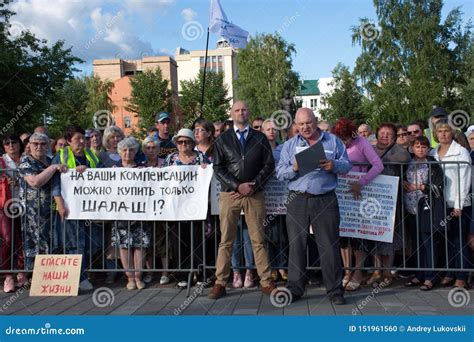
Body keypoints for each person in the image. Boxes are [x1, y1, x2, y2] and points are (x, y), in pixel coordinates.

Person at [276, 108, 352, 305]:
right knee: (296, 245)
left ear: (315, 121)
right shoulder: (289, 145)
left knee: (328, 245)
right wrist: (294, 168)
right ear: (296, 125)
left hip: (325, 198)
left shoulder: (333, 141)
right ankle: (295, 288)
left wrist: (333, 165)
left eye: (308, 123)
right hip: (297, 199)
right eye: (301, 124)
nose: (305, 127)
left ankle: (335, 290)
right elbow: (280, 173)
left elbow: (347, 165)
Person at [209, 101, 276, 299]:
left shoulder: (260, 138)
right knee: (226, 240)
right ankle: (220, 282)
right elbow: (218, 168)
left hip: (254, 194)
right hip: (230, 194)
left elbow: (269, 164)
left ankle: (266, 281)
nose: (241, 112)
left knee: (258, 239)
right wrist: (237, 186)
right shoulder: (222, 140)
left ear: (249, 112)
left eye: (244, 109)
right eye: (237, 110)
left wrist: (253, 185)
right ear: (232, 114)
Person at [333, 118, 384, 291]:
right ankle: (347, 271)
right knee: (343, 236)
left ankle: (358, 272)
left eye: (347, 138)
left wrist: (361, 182)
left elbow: (378, 165)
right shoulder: (335, 143)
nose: (344, 142)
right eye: (341, 138)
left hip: (358, 194)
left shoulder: (362, 142)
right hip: (340, 194)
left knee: (357, 235)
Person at [52, 125, 102, 291]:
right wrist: (60, 204)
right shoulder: (61, 156)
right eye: (77, 139)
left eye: (83, 138)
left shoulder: (91, 156)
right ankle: (78, 279)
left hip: (90, 208)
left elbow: (102, 174)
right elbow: (56, 182)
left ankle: (82, 275)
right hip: (70, 207)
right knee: (75, 243)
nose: (82, 142)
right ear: (68, 141)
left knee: (92, 243)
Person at [164, 129, 209, 288]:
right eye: (181, 142)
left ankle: (201, 275)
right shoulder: (170, 159)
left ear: (193, 143)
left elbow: (208, 179)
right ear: (176, 143)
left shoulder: (201, 158)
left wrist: (205, 170)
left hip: (196, 208)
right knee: (178, 242)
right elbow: (163, 181)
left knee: (198, 242)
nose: (184, 145)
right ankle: (182, 275)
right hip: (176, 209)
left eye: (187, 141)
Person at [430, 119, 472, 288]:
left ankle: (462, 275)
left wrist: (459, 205)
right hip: (440, 203)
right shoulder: (433, 152)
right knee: (446, 240)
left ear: (452, 133)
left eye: (446, 131)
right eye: (439, 131)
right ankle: (450, 272)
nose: (443, 134)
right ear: (435, 134)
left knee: (459, 240)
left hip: (456, 202)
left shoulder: (461, 152)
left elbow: (465, 179)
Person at [18, 133, 67, 272]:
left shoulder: (52, 159)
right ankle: (37, 276)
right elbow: (35, 182)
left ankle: (51, 275)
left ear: (47, 146)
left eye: (43, 144)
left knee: (54, 241)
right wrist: (52, 168)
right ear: (30, 146)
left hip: (52, 210)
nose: (39, 146)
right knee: (36, 242)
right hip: (33, 212)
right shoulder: (26, 161)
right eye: (35, 144)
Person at [369, 123, 411, 286]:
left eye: (389, 133)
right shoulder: (370, 149)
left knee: (390, 236)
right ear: (377, 134)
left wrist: (378, 161)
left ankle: (387, 271)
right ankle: (376, 270)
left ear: (394, 137)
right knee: (374, 234)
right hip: (372, 199)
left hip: (391, 199)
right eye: (382, 132)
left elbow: (405, 158)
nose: (385, 135)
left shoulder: (397, 150)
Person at [403, 136, 445, 291]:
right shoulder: (408, 163)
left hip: (428, 209)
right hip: (411, 208)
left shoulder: (433, 164)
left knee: (429, 243)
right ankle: (420, 274)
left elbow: (438, 187)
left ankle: (430, 276)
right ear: (412, 148)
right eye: (417, 146)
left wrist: (420, 187)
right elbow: (402, 180)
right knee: (417, 243)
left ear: (428, 148)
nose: (420, 149)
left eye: (423, 147)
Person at [112, 137, 151, 290]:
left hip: (140, 215)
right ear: (120, 152)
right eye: (124, 150)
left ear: (135, 152)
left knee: (140, 245)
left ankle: (138, 277)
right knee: (124, 246)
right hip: (121, 215)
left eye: (131, 150)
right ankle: (130, 278)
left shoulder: (143, 168)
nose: (128, 153)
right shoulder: (113, 170)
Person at [262, 119, 288, 281]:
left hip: (282, 197)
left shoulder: (284, 149)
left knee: (282, 234)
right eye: (268, 129)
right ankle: (271, 266)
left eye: (274, 129)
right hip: (265, 197)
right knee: (267, 234)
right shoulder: (259, 149)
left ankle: (282, 266)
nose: (271, 131)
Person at [140, 137, 169, 285]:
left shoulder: (166, 164)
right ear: (144, 150)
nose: (151, 150)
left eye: (154, 148)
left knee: (163, 242)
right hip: (146, 210)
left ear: (158, 149)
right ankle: (150, 273)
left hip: (163, 209)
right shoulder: (140, 166)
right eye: (148, 148)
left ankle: (165, 273)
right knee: (148, 243)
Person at [1, 135, 27, 291]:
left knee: (24, 238)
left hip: (24, 204)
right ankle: (8, 275)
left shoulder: (27, 159)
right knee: (8, 239)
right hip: (5, 205)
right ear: (4, 147)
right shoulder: (1, 161)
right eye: (7, 143)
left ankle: (22, 272)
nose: (11, 145)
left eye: (14, 142)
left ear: (19, 144)